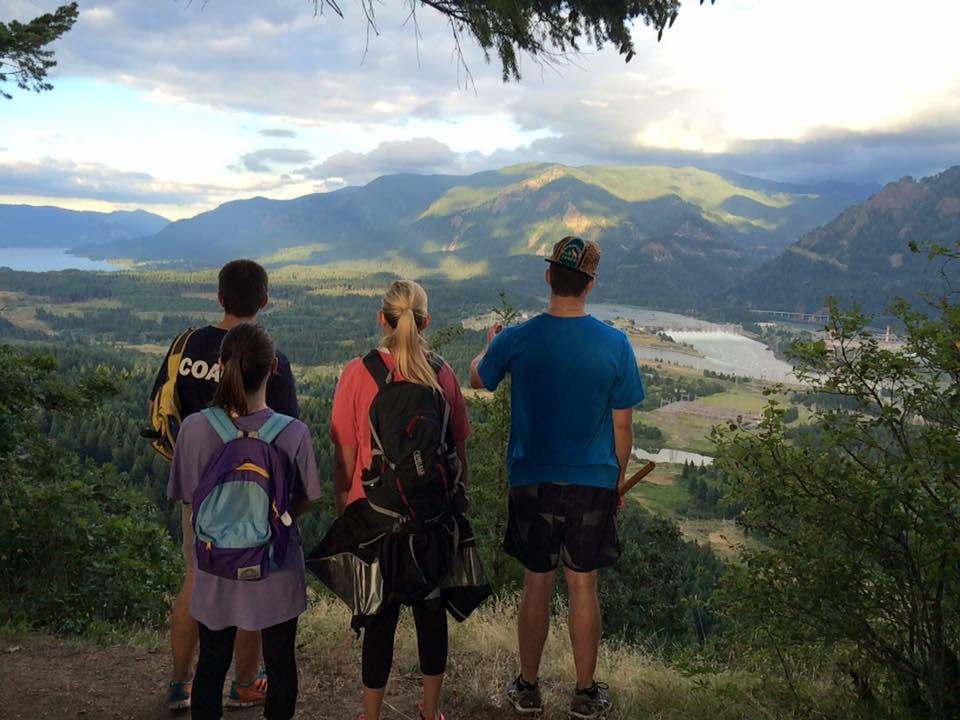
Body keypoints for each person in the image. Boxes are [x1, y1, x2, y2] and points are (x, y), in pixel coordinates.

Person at [469, 236, 645, 720]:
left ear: (548, 276)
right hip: (592, 483)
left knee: (536, 584)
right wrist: (615, 484)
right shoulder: (616, 344)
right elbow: (623, 428)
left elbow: (477, 380)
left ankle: (527, 688)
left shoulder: (518, 338)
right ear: (590, 283)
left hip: (531, 479)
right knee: (583, 585)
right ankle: (585, 695)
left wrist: (487, 348)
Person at [150, 259, 299, 711]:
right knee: (251, 582)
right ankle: (246, 683)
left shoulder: (190, 344)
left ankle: (180, 684)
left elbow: (165, 408)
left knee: (198, 578)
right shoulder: (270, 360)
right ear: (265, 300)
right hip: (257, 495)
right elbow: (288, 432)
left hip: (200, 491)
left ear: (218, 297)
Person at [328, 280, 472, 720]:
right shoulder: (442, 373)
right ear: (426, 322)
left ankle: (370, 714)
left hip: (375, 518)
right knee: (431, 616)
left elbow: (345, 458)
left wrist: (345, 510)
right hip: (428, 520)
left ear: (381, 318)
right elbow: (458, 453)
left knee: (379, 621)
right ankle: (431, 711)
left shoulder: (358, 373)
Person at [167, 322, 321, 720]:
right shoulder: (293, 433)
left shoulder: (195, 428)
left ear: (221, 366)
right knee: (281, 662)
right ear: (273, 369)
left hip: (216, 566)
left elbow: (187, 496)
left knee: (212, 664)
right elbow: (307, 498)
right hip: (276, 565)